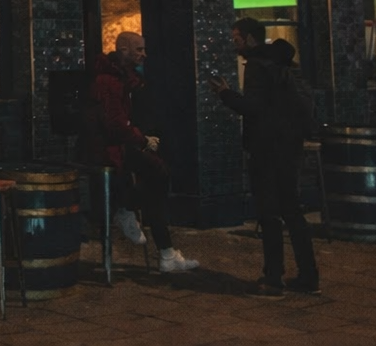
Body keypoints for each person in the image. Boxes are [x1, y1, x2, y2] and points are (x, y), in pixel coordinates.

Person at [209, 17, 318, 297]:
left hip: (266, 149)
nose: (235, 45)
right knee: (292, 211)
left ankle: (273, 277)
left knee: (268, 213)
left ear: (249, 38)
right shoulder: (282, 62)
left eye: (237, 39)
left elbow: (254, 107)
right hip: (289, 146)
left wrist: (225, 94)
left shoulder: (257, 66)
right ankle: (309, 277)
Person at [80, 30, 199, 273]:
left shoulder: (126, 77)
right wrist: (142, 139)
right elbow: (114, 123)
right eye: (139, 49)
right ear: (123, 50)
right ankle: (129, 211)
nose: (144, 54)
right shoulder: (108, 80)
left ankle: (136, 217)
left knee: (156, 182)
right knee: (158, 175)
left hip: (122, 143)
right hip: (110, 148)